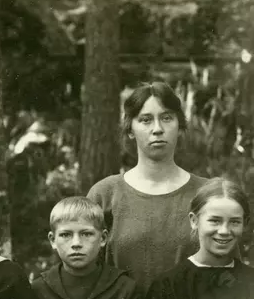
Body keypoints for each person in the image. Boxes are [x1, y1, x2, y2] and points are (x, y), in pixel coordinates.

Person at [87, 81, 207, 287]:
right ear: (130, 129)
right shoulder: (105, 194)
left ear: (180, 126)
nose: (157, 129)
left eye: (167, 118)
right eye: (145, 120)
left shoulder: (206, 194)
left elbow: (229, 277)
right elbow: (85, 275)